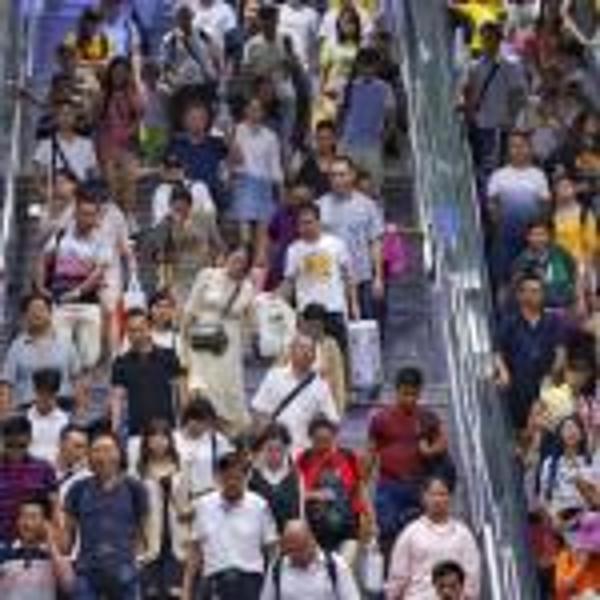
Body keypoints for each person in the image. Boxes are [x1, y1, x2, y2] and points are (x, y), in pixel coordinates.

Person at [368, 367, 449, 555]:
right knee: (388, 532)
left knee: (421, 538)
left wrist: (429, 451)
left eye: (414, 394)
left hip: (418, 485)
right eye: (405, 394)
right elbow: (371, 450)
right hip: (389, 486)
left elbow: (443, 442)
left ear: (420, 392)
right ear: (396, 391)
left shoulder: (428, 417)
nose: (409, 399)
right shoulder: (380, 419)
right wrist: (363, 482)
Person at [62, 431, 148, 600]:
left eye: (108, 449)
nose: (103, 456)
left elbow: (143, 529)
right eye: (97, 450)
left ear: (119, 453)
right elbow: (68, 536)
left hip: (125, 571)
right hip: (87, 571)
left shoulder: (134, 488)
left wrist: (138, 560)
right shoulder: (78, 489)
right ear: (89, 456)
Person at [182, 451, 278, 600]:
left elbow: (272, 550)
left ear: (246, 478)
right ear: (218, 478)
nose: (232, 483)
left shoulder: (259, 505)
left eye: (237, 478)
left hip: (250, 582)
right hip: (214, 581)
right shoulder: (204, 505)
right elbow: (195, 551)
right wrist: (186, 592)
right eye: (227, 478)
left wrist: (274, 589)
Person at [182, 246, 256, 433]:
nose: (238, 264)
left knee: (228, 388)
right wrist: (182, 341)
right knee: (203, 387)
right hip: (203, 338)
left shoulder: (247, 287)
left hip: (228, 344)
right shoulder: (207, 275)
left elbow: (248, 320)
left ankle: (228, 432)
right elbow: (190, 309)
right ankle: (203, 428)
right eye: (235, 258)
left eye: (243, 262)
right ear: (226, 257)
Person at [37, 189, 109, 370]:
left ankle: (83, 386)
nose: (88, 219)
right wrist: (41, 287)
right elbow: (43, 260)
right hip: (61, 303)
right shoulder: (61, 236)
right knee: (60, 357)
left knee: (90, 359)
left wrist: (76, 293)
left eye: (92, 215)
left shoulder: (101, 241)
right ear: (75, 214)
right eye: (84, 214)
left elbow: (98, 274)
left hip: (88, 304)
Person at [386, 477, 481, 600]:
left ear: (450, 498)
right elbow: (398, 576)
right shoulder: (411, 533)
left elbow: (472, 577)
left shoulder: (463, 534)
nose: (437, 499)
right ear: (424, 498)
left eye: (442, 494)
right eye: (433, 495)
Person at [494, 272, 567, 430]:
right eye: (530, 291)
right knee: (521, 430)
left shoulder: (554, 320)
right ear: (520, 295)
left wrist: (551, 376)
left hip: (547, 387)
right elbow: (497, 351)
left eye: (538, 291)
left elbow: (561, 353)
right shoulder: (510, 322)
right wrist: (504, 372)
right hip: (519, 387)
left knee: (547, 428)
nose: (534, 295)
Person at [296, 415, 370, 566]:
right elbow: (295, 493)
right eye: (319, 440)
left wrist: (368, 518)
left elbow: (360, 489)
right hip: (315, 531)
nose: (324, 445)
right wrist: (315, 495)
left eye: (327, 440)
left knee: (344, 569)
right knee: (321, 572)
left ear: (334, 437)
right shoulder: (303, 459)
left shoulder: (348, 457)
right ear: (310, 439)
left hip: (348, 528)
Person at [318, 156, 384, 320]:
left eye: (342, 174)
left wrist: (378, 277)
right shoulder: (319, 206)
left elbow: (375, 242)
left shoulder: (368, 205)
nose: (337, 180)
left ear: (352, 175)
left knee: (364, 326)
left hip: (362, 277)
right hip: (330, 279)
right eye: (333, 175)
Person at [283, 203, 358, 347]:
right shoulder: (293, 250)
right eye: (301, 224)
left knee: (338, 352)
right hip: (307, 312)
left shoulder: (336, 244)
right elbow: (289, 281)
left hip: (334, 308)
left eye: (309, 222)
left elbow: (348, 276)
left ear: (318, 222)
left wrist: (354, 305)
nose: (305, 227)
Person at [463, 20, 528, 182]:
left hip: (502, 125)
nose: (486, 42)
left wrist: (510, 118)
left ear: (499, 39)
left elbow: (518, 93)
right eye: (484, 38)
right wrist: (468, 110)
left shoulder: (511, 64)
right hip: (482, 123)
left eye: (490, 38)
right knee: (485, 165)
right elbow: (471, 92)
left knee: (497, 167)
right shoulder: (476, 66)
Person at [486, 130, 551, 290]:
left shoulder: (538, 175)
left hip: (531, 239)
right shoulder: (498, 175)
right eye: (513, 146)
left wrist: (538, 233)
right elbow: (492, 205)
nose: (518, 150)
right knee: (503, 280)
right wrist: (500, 223)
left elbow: (545, 205)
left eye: (521, 146)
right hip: (505, 237)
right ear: (508, 150)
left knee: (533, 279)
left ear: (529, 148)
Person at [251, 334, 339, 451]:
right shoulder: (274, 376)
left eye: (311, 350)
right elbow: (258, 411)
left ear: (314, 356)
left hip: (306, 451)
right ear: (291, 351)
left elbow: (332, 420)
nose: (306, 353)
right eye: (302, 348)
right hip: (277, 450)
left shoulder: (321, 386)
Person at [109, 308, 187, 439]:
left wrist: (184, 423)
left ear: (149, 328)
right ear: (127, 332)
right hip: (136, 433)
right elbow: (117, 399)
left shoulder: (169, 356)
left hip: (168, 431)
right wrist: (114, 428)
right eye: (132, 330)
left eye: (140, 329)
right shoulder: (120, 362)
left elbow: (181, 393)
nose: (136, 335)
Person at [147, 183, 224, 306]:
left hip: (203, 274)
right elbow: (158, 254)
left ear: (190, 205)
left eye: (184, 209)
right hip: (179, 278)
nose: (181, 213)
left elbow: (219, 245)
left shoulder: (204, 218)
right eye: (177, 209)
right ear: (170, 206)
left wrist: (218, 264)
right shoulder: (166, 223)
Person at [137, 419, 188, 599]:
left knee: (175, 594)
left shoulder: (182, 467)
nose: (159, 441)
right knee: (151, 594)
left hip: (178, 541)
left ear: (170, 440)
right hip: (149, 543)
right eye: (154, 436)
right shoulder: (139, 471)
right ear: (146, 441)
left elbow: (190, 503)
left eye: (163, 436)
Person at [2, 292, 80, 410]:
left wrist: (79, 411)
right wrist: (4, 412)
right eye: (32, 310)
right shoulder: (16, 347)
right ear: (25, 316)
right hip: (26, 409)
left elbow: (78, 380)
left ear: (50, 313)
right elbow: (6, 383)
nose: (37, 314)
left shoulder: (67, 344)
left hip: (62, 407)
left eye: (41, 309)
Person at [230, 97, 284, 267]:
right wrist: (231, 142)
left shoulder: (270, 136)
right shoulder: (237, 130)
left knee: (263, 228)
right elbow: (235, 161)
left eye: (258, 109)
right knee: (245, 233)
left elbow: (275, 166)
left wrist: (280, 190)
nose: (254, 113)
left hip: (263, 184)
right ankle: (244, 252)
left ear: (263, 113)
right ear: (245, 110)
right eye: (251, 108)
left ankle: (259, 263)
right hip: (243, 181)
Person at [339, 47, 396, 194]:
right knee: (346, 188)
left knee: (373, 189)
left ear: (377, 66)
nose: (368, 70)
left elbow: (391, 118)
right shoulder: (347, 87)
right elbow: (341, 115)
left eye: (371, 65)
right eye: (364, 65)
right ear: (358, 65)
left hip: (372, 146)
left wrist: (383, 140)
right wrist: (340, 139)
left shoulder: (385, 88)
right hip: (349, 144)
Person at [260, 519, 361, 600]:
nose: (295, 555)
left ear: (312, 542)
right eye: (290, 550)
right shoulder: (276, 567)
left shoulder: (336, 565)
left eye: (300, 549)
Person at [0, 497, 74, 600]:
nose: (27, 523)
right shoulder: (4, 552)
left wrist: (51, 543)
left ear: (45, 523)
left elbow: (69, 586)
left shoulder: (54, 554)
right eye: (23, 516)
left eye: (33, 517)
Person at [0, 415, 57, 544]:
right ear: (2, 440)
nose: (15, 451)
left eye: (21, 445)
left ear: (30, 440)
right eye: (9, 445)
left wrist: (52, 540)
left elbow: (54, 508)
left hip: (34, 543)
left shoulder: (44, 468)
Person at [166, 101, 232, 205]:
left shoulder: (216, 143)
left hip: (212, 199)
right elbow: (167, 173)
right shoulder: (176, 144)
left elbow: (235, 159)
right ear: (185, 121)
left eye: (201, 118)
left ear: (206, 121)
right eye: (193, 118)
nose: (197, 123)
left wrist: (227, 133)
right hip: (185, 199)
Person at [539, 415, 599, 529]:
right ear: (560, 435)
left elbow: (597, 500)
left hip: (589, 523)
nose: (571, 431)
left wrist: (580, 482)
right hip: (560, 524)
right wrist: (553, 517)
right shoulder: (550, 464)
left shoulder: (591, 462)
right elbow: (543, 499)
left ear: (582, 434)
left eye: (575, 427)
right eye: (567, 428)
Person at [511, 217, 580, 314]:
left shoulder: (560, 253)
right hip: (540, 313)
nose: (538, 239)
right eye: (534, 235)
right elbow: (518, 291)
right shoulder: (521, 262)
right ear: (527, 237)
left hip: (566, 308)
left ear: (549, 236)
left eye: (542, 234)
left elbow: (575, 274)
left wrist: (579, 299)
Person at [174, 397, 232, 500]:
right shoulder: (174, 439)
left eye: (208, 423)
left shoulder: (216, 440)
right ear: (189, 419)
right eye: (200, 421)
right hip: (182, 497)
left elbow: (230, 465)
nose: (204, 427)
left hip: (210, 495)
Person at [32, 99, 98, 188]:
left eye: (69, 114)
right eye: (62, 114)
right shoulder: (46, 143)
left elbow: (93, 170)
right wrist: (41, 190)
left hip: (81, 191)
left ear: (75, 118)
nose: (66, 118)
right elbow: (36, 168)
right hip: (56, 191)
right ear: (56, 118)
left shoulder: (87, 144)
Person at [249, 423, 302, 533]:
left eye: (278, 449)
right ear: (262, 449)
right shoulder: (252, 477)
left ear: (286, 449)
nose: (274, 454)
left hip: (289, 535)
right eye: (269, 449)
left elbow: (301, 512)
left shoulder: (296, 477)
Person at [298, 303, 347, 415]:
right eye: (311, 326)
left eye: (318, 326)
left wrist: (338, 410)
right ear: (304, 323)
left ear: (324, 325)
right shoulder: (292, 345)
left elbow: (338, 380)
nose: (314, 330)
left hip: (324, 404)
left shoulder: (331, 346)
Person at [150, 153, 216, 227]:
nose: (173, 170)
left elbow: (210, 212)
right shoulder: (160, 192)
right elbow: (158, 221)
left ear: (184, 167)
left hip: (199, 228)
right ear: (164, 170)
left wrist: (190, 216)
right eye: (169, 167)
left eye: (177, 166)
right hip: (173, 230)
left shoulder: (199, 187)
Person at [27, 369, 69, 464]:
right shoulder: (25, 418)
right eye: (41, 392)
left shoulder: (65, 421)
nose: (45, 397)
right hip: (29, 468)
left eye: (50, 393)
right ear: (35, 391)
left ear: (56, 393)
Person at [295, 120, 338, 197]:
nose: (324, 142)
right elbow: (299, 189)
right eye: (320, 138)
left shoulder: (342, 164)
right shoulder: (308, 165)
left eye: (327, 138)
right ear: (316, 140)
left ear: (334, 139)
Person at [55, 424, 91, 501]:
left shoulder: (87, 478)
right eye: (78, 446)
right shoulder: (44, 468)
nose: (82, 452)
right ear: (61, 444)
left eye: (85, 447)